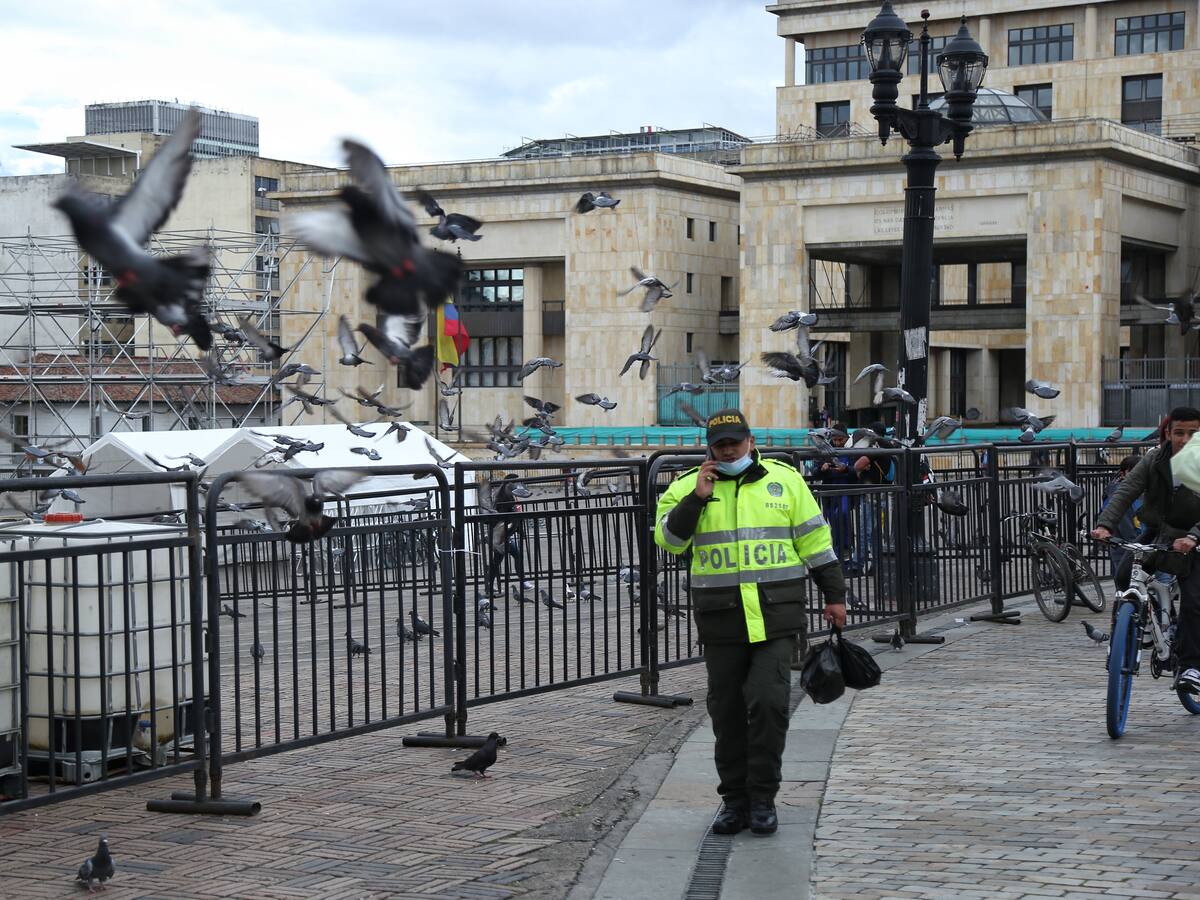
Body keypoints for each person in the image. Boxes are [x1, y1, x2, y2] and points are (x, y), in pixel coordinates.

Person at [654, 408, 847, 837]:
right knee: (725, 713)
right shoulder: (688, 485)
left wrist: (834, 595)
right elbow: (669, 541)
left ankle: (763, 799)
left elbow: (815, 541)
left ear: (750, 440)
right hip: (722, 620)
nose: (728, 450)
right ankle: (734, 802)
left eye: (734, 442)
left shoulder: (786, 481)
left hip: (776, 616)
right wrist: (697, 498)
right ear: (709, 446)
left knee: (768, 705)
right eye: (720, 444)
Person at [1091, 407, 1200, 693]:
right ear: (1167, 433)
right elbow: (1127, 491)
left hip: (1193, 537)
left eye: (1193, 433)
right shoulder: (1154, 459)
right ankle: (1146, 629)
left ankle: (1191, 666)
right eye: (1179, 433)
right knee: (1125, 574)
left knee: (1194, 600)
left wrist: (1193, 536)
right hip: (1158, 532)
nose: (1185, 439)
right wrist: (1105, 525)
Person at [808, 426, 858, 572]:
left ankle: (846, 551)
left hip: (844, 490)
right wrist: (822, 468)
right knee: (832, 520)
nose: (837, 443)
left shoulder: (851, 451)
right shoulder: (824, 452)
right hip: (829, 492)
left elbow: (856, 471)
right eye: (834, 440)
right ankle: (838, 553)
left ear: (846, 438)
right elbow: (815, 472)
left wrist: (846, 469)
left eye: (840, 440)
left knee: (841, 515)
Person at [483, 474, 527, 598]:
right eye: (514, 483)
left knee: (499, 560)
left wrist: (517, 528)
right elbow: (504, 515)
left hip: (502, 533)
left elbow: (512, 515)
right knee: (500, 559)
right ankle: (522, 582)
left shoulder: (506, 494)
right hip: (500, 534)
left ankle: (490, 586)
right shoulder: (505, 496)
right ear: (509, 484)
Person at [1099, 455, 1143, 575]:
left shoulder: (1144, 490)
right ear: (1123, 474)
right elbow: (1125, 525)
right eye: (1132, 472)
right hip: (1128, 548)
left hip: (1139, 546)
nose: (1137, 475)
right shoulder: (1117, 493)